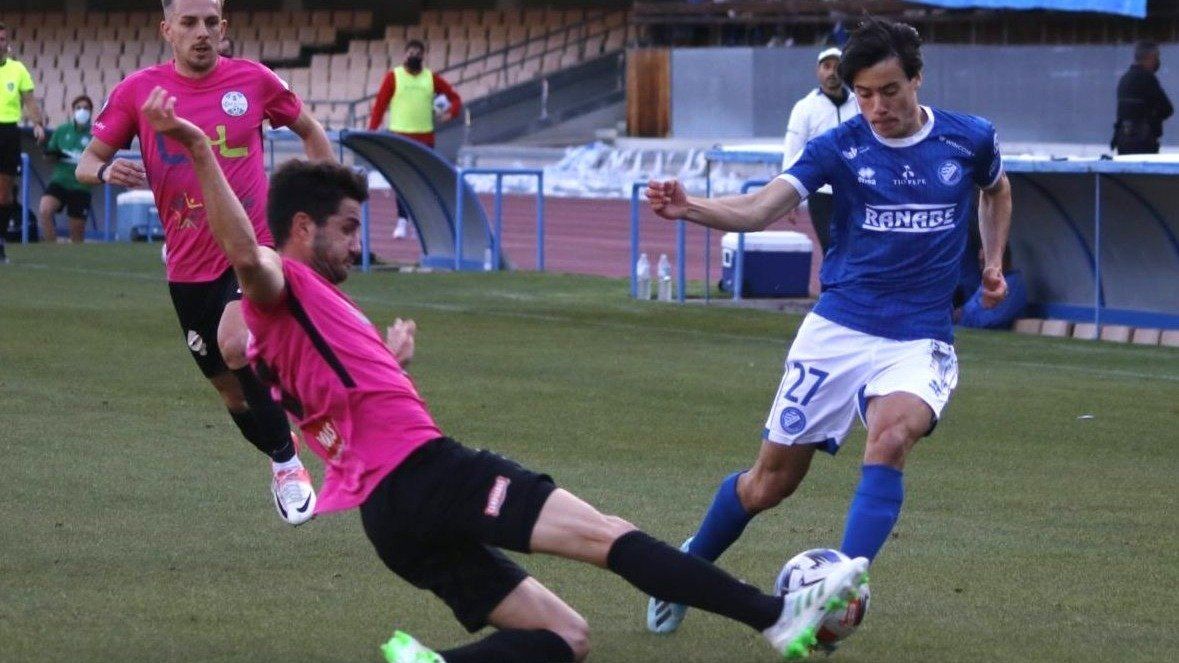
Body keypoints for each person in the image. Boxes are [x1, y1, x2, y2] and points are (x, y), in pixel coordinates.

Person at [140, 86, 870, 662]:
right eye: (348, 230)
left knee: (565, 637)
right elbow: (246, 255)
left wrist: (387, 366)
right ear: (301, 228)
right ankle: (779, 619)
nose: (357, 245)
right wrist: (201, 149)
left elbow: (298, 377)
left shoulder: (306, 313)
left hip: (387, 518)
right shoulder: (281, 283)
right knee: (608, 537)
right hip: (427, 473)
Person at [644, 17, 1012, 643]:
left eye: (889, 91)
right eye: (864, 94)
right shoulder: (840, 147)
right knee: (769, 485)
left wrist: (994, 260)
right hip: (837, 330)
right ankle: (686, 570)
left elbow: (996, 190)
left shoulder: (967, 139)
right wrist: (692, 209)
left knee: (891, 436)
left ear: (916, 79)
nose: (876, 107)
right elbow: (763, 208)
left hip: (920, 335)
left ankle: (838, 588)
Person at [76, 0, 336, 524]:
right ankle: (280, 440)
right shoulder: (137, 92)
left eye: (210, 22)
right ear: (166, 30)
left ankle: (289, 467)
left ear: (224, 27)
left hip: (256, 248)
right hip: (189, 263)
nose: (201, 33)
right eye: (189, 23)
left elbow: (309, 130)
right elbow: (87, 163)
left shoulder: (254, 81)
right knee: (230, 390)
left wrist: (327, 209)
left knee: (235, 343)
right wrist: (105, 175)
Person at [782, 46, 860, 254]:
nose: (832, 72)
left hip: (856, 187)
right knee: (831, 246)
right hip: (821, 190)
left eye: (837, 66)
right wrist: (789, 197)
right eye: (827, 66)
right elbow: (793, 149)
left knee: (858, 247)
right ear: (818, 71)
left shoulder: (860, 103)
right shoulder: (805, 107)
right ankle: (833, 286)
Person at [0, 21, 45, 263]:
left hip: (8, 132)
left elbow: (29, 100)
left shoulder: (17, 70)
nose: (0, 44)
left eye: (2, 39)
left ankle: (1, 241)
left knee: (4, 195)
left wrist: (38, 123)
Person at [366, 39, 462, 148]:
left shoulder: (431, 77)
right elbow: (380, 106)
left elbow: (455, 98)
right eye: (411, 53)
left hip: (425, 137)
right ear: (405, 55)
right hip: (398, 136)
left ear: (423, 57)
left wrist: (452, 112)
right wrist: (372, 131)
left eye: (418, 54)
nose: (414, 56)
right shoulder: (393, 77)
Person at [39, 95, 95, 244]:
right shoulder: (62, 130)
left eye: (86, 108)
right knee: (45, 210)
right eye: (78, 108)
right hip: (60, 181)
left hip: (81, 186)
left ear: (91, 112)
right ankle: (52, 248)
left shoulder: (95, 134)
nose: (82, 111)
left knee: (77, 235)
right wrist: (51, 154)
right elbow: (49, 156)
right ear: (73, 111)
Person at [1112, 41, 1173, 155]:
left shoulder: (1125, 79)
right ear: (1150, 57)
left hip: (1123, 141)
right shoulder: (1148, 79)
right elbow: (1167, 109)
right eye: (1156, 57)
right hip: (1144, 142)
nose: (1157, 62)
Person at [956, 248, 1026, 330]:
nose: (982, 268)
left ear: (1002, 260)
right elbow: (966, 310)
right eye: (980, 262)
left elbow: (991, 321)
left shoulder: (1013, 282)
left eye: (985, 262)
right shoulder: (988, 281)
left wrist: (965, 316)